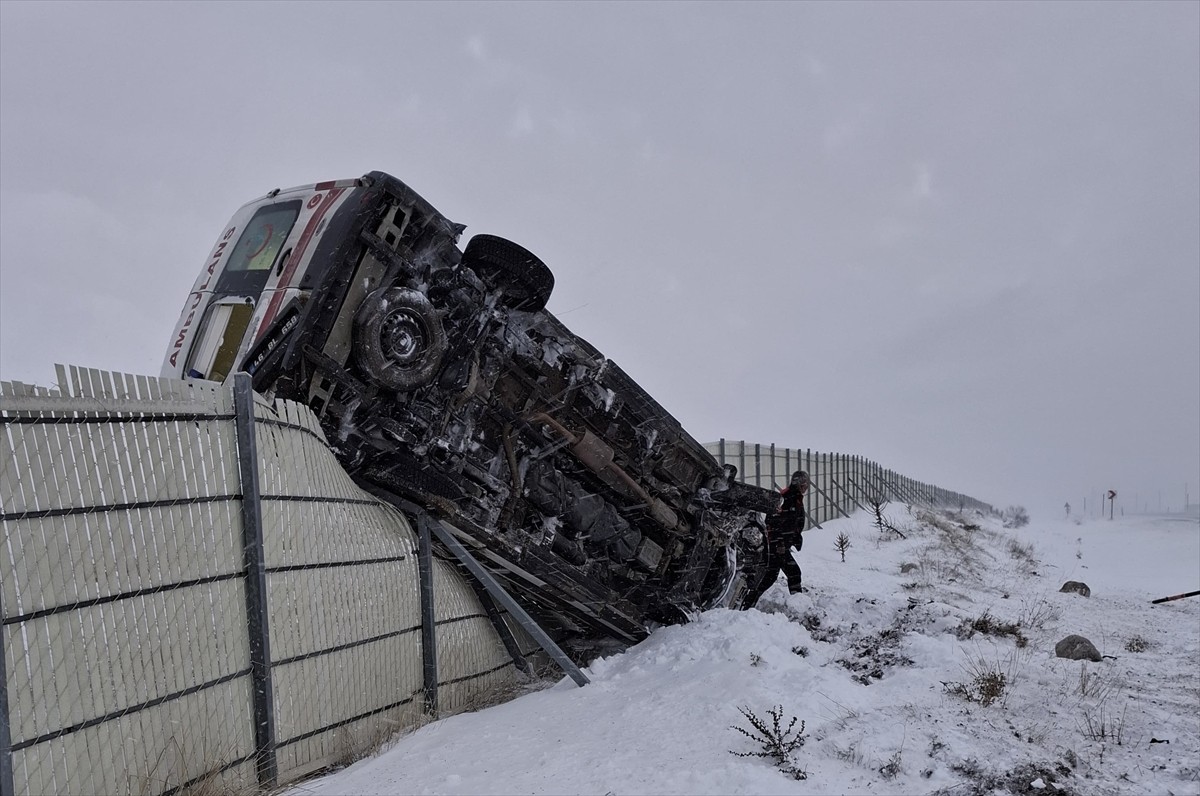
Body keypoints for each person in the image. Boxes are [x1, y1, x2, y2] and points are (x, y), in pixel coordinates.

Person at [746, 470, 809, 606]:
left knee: (769, 576)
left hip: (781, 544)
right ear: (799, 484)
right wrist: (779, 542)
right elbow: (773, 521)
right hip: (777, 545)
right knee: (794, 572)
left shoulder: (796, 497)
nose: (806, 487)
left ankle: (747, 602)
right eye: (804, 484)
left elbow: (793, 521)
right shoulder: (786, 498)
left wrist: (796, 537)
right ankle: (799, 606)